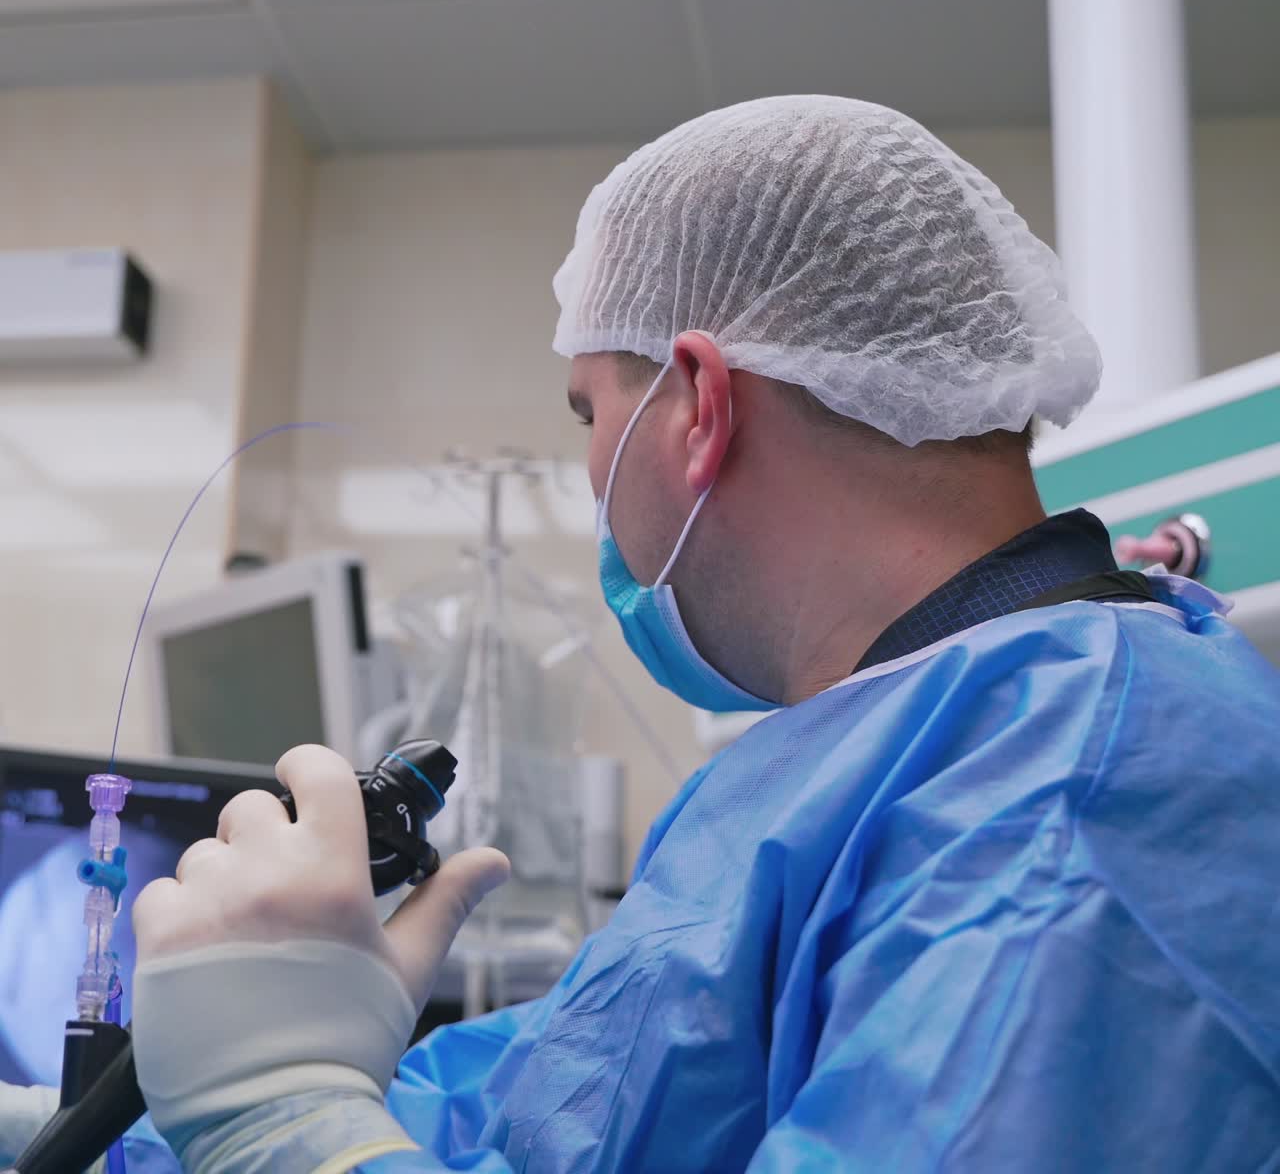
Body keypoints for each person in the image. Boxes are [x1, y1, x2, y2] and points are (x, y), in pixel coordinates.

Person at [6, 95, 1280, 1172]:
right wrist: (111, 1121)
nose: (588, 469)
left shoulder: (1086, 794)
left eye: (585, 409)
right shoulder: (836, 774)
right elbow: (502, 1121)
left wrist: (290, 1110)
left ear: (698, 407)